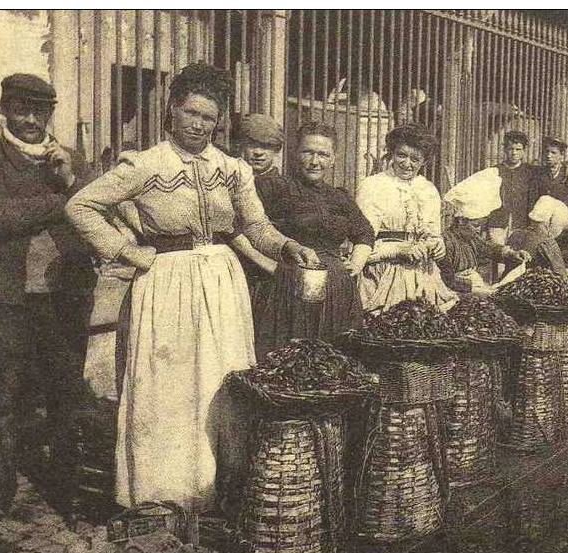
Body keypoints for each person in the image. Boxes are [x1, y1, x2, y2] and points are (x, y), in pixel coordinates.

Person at [66, 62, 319, 511]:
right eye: (192, 113)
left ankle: (220, 489)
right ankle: (166, 496)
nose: (200, 124)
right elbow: (82, 206)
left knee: (223, 381)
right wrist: (128, 251)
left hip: (222, 280)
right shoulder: (146, 165)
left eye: (209, 116)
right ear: (172, 111)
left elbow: (255, 225)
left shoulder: (233, 168)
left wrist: (288, 246)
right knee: (170, 388)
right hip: (167, 283)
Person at [0, 73, 97, 531]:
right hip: (5, 297)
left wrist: (72, 179)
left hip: (63, 298)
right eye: (22, 109)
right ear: (4, 109)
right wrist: (64, 198)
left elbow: (103, 209)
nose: (32, 119)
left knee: (64, 394)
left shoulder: (69, 162)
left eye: (41, 110)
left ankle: (66, 491)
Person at [255, 121, 375, 355]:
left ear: (332, 159)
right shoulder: (274, 187)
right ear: (294, 152)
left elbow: (365, 232)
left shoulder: (340, 198)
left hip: (338, 292)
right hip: (288, 289)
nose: (314, 161)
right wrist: (274, 268)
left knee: (335, 362)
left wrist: (357, 262)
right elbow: (251, 229)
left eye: (323, 154)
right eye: (308, 152)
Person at [356, 124, 458, 314]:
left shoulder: (428, 190)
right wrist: (397, 250)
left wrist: (437, 245)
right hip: (383, 276)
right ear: (391, 153)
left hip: (423, 278)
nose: (407, 163)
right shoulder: (372, 186)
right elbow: (360, 246)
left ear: (424, 161)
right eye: (401, 155)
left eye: (415, 158)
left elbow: (434, 235)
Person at [234, 114, 285, 338]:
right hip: (238, 268)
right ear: (240, 145)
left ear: (276, 151)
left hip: (273, 275)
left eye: (267, 146)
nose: (258, 152)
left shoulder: (284, 186)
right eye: (252, 144)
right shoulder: (230, 180)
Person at [439, 214, 530, 295]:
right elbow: (448, 280)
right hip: (456, 290)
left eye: (481, 225)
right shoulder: (446, 242)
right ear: (461, 221)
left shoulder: (470, 236)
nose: (478, 230)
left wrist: (511, 253)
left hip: (474, 287)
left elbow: (488, 248)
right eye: (476, 225)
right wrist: (476, 290)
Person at [484, 130, 545, 245]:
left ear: (523, 151)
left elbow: (550, 169)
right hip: (497, 224)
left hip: (521, 225)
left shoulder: (531, 172)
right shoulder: (495, 171)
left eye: (518, 149)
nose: (514, 153)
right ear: (505, 150)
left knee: (518, 259)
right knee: (498, 256)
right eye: (510, 149)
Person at [540, 136, 568, 208]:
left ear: (562, 155)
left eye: (553, 153)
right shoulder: (539, 172)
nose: (549, 155)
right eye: (547, 151)